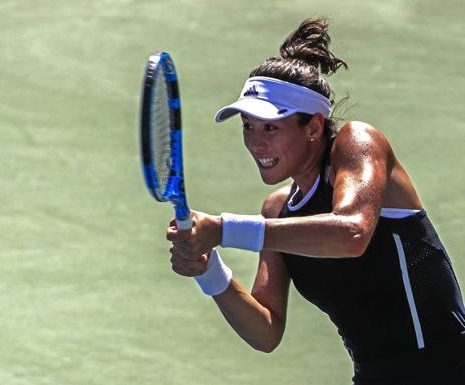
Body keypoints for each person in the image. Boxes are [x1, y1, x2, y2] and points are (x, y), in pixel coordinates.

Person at [166, 17, 465, 385]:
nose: (257, 143)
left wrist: (224, 229)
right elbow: (266, 330)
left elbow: (352, 233)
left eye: (271, 128)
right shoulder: (277, 211)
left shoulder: (357, 143)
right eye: (248, 126)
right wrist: (209, 271)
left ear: (314, 127)